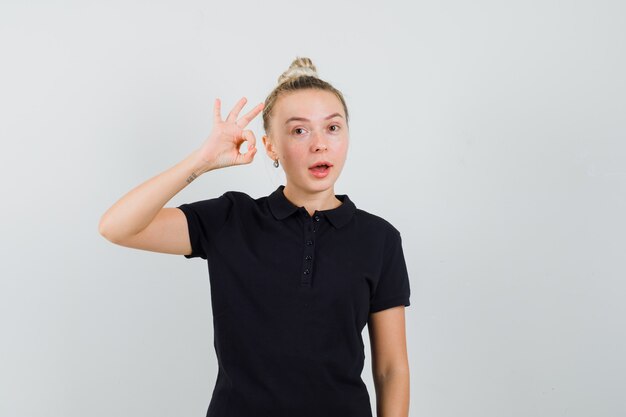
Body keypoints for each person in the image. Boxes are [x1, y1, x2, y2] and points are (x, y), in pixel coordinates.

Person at [99, 56, 411, 417]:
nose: (320, 144)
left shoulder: (379, 239)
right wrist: (202, 160)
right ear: (270, 147)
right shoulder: (231, 219)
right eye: (299, 130)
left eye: (332, 128)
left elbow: (392, 369)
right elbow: (117, 226)